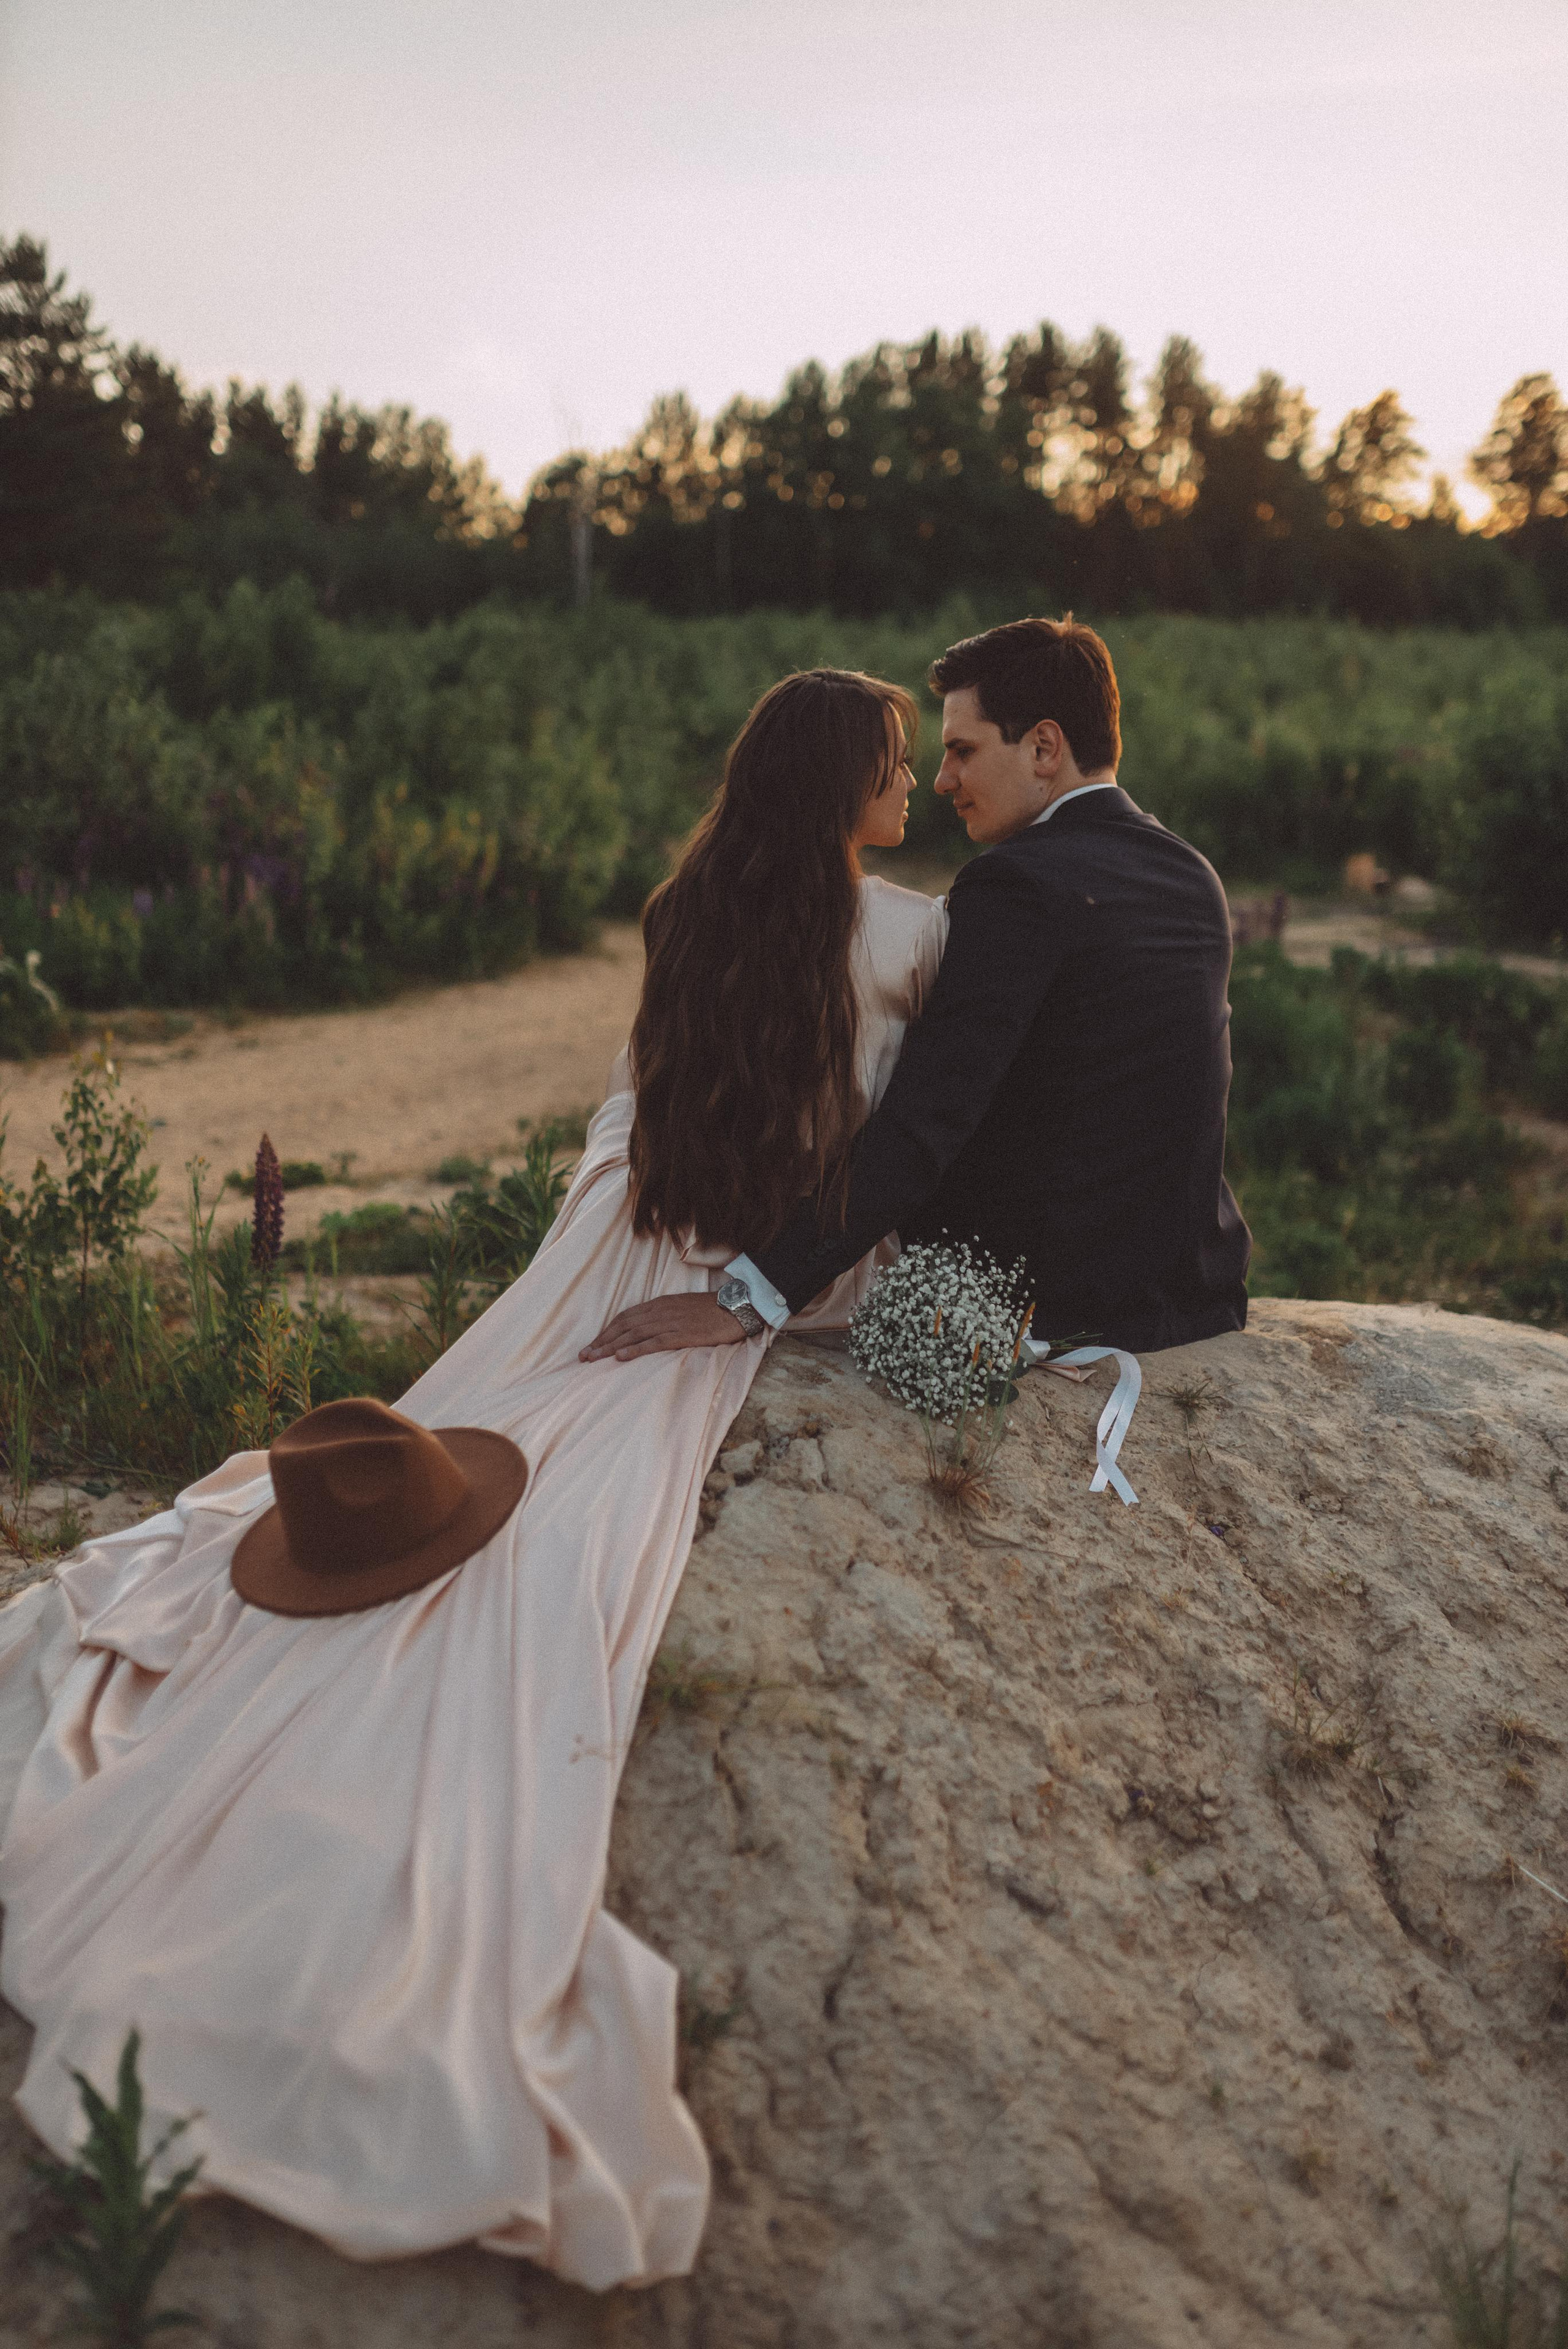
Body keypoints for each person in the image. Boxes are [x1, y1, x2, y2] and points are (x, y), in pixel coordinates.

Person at [0, 669, 948, 2289]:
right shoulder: (916, 937)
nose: (914, 785)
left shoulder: (686, 905)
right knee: (578, 1509)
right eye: (898, 761)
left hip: (641, 1221)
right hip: (778, 1249)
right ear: (843, 780)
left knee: (507, 1404)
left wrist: (617, 1224)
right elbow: (922, 1130)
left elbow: (643, 1107)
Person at [584, 615, 1250, 1370]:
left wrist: (751, 1295)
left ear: (1042, 748)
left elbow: (927, 1122)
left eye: (962, 751)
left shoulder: (1018, 884)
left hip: (1046, 1302)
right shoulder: (1191, 873)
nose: (941, 782)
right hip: (1195, 1290)